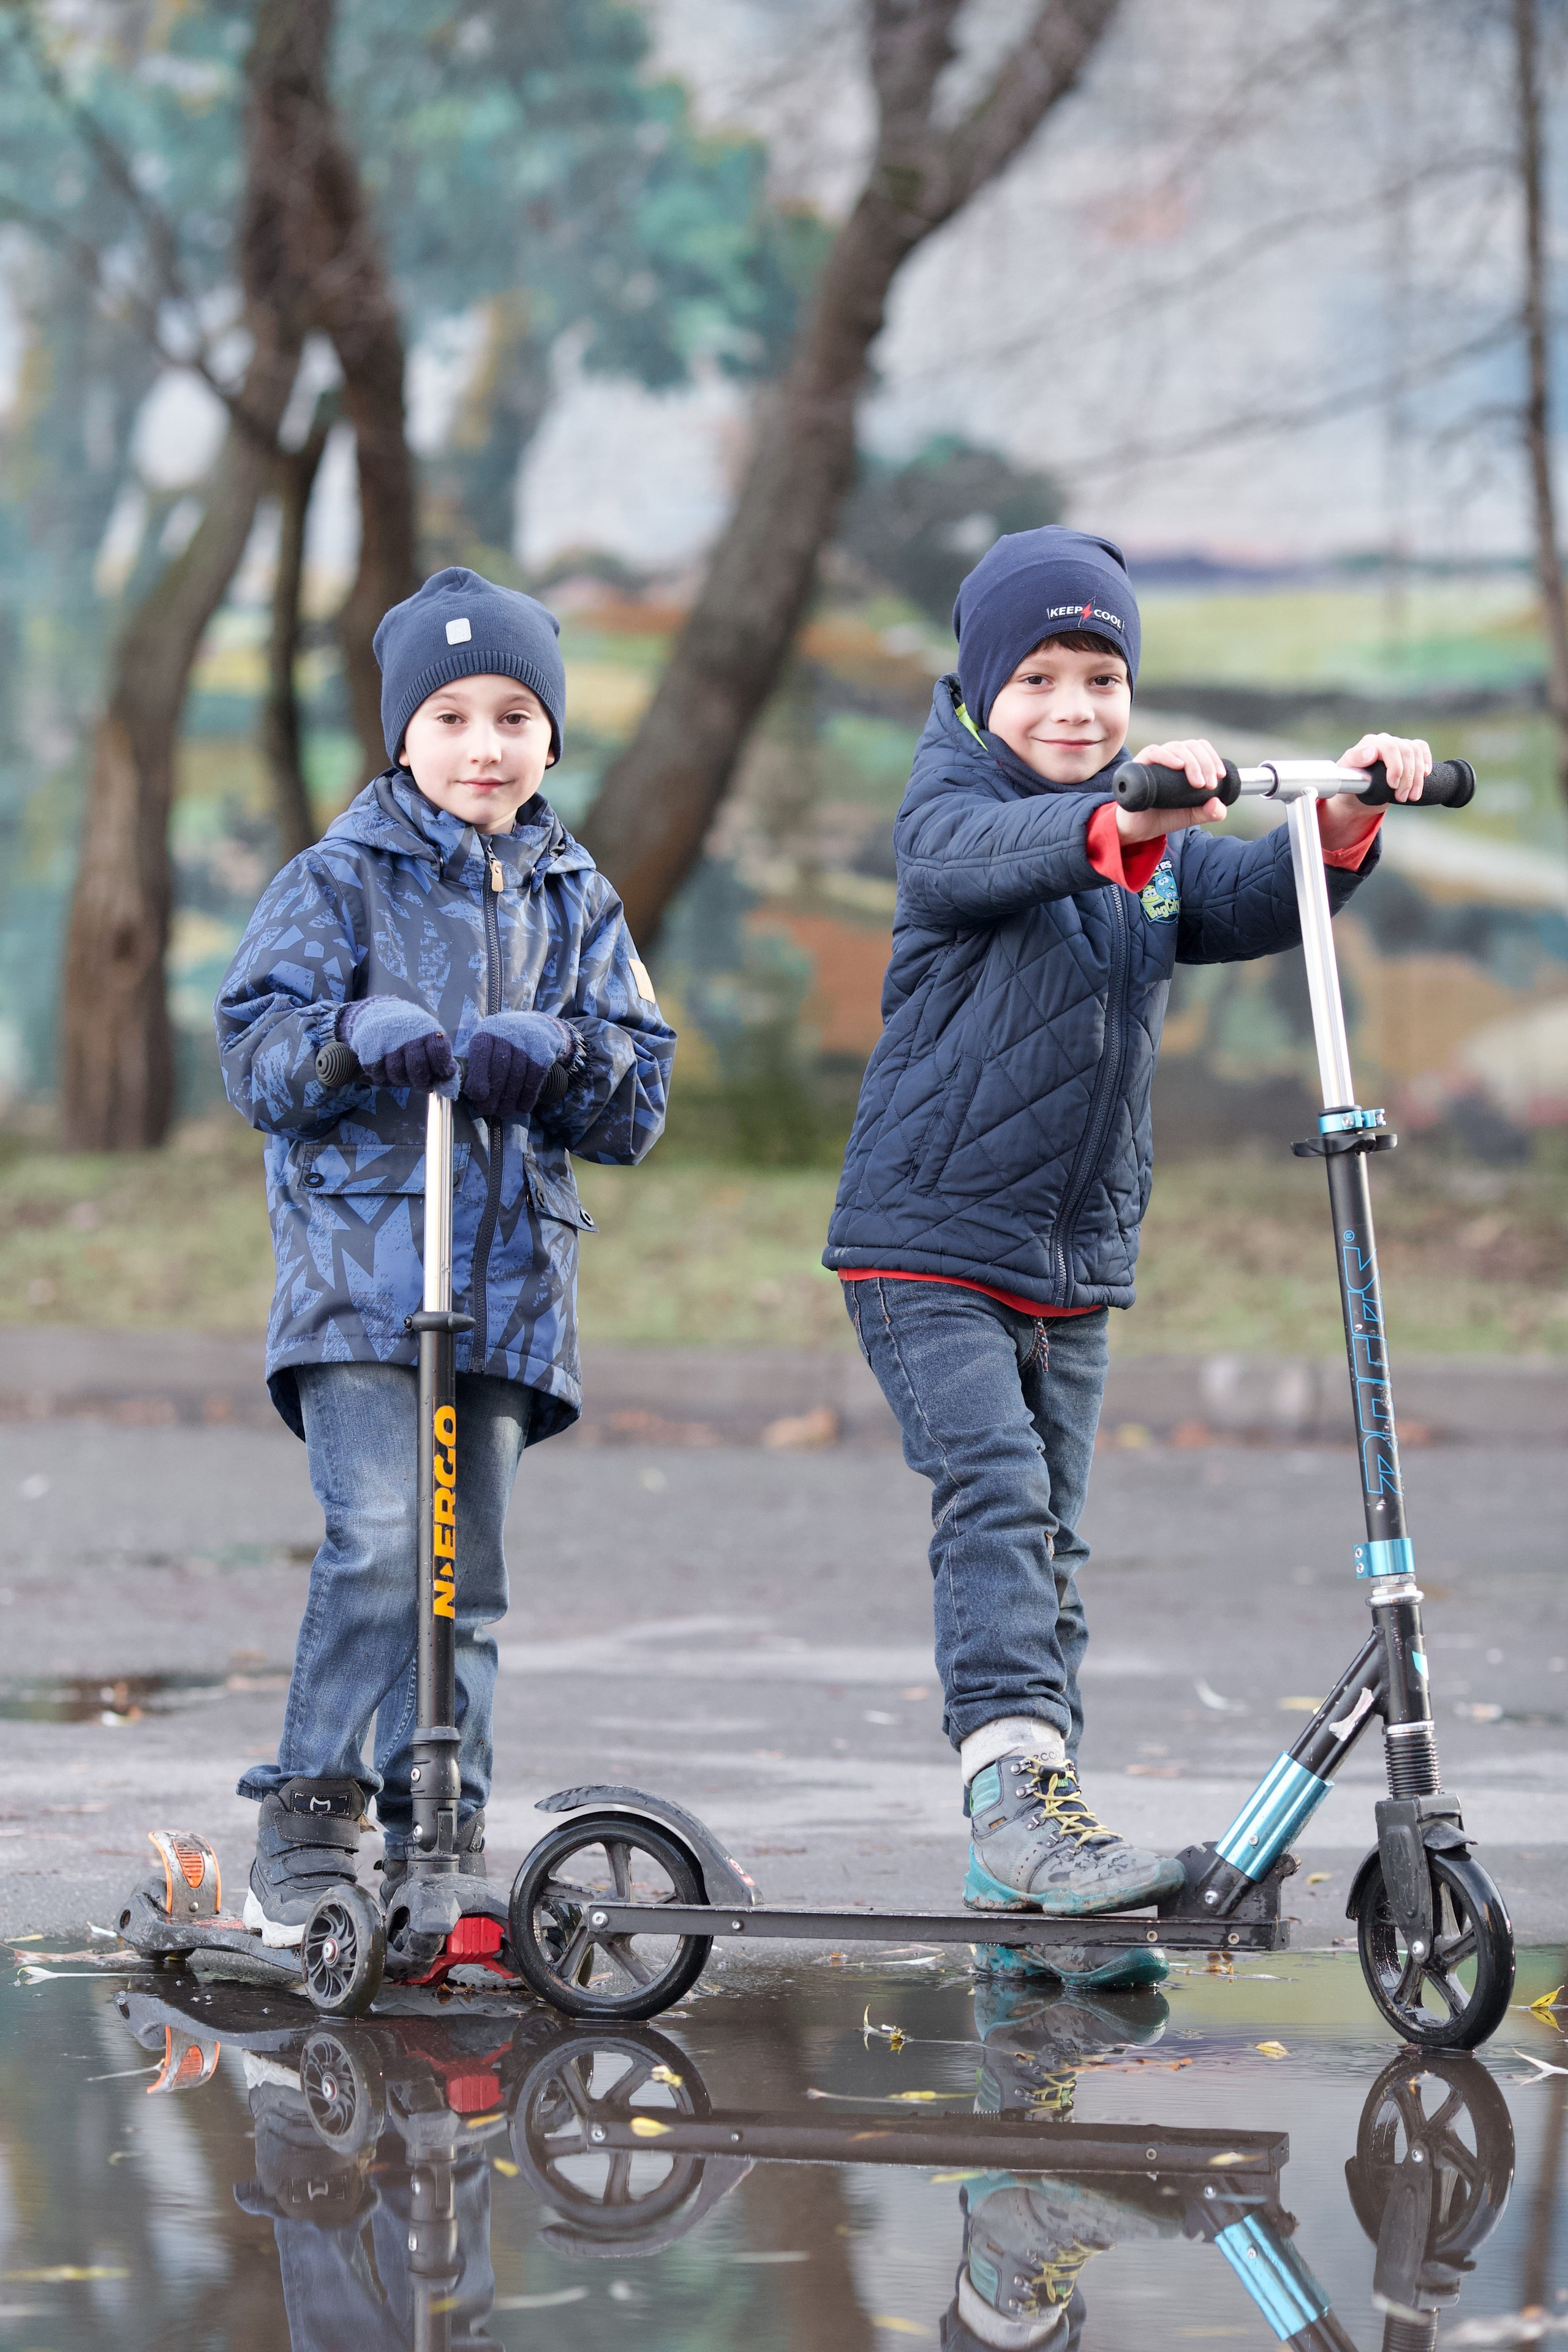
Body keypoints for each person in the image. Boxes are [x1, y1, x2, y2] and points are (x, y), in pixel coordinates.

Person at [823, 526, 1430, 1988]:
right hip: (924, 1240)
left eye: (1100, 678)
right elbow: (997, 857)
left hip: (1068, 1255)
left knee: (1053, 1541)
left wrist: (1343, 813)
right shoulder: (958, 814)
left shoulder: (1134, 843)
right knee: (997, 1495)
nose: (1073, 709)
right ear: (977, 694)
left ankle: (1036, 1857)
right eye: (1035, 678)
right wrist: (1130, 818)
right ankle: (1010, 1800)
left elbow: (1240, 897)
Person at [216, 566, 673, 1945]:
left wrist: (571, 1055)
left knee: (462, 1579)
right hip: (364, 1281)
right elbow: (254, 1051)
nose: (486, 745)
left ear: (550, 737)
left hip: (506, 1290)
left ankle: (445, 1834)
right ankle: (308, 1821)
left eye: (515, 716)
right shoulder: (332, 881)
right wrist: (349, 1036)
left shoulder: (577, 898)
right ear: (402, 734)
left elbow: (637, 1097)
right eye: (454, 715)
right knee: (380, 1544)